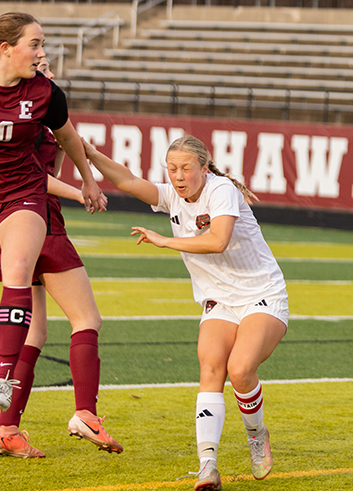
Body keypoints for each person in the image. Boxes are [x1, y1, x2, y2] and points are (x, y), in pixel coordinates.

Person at [83, 135, 287, 490]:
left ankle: (257, 434)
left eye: (186, 168)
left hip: (261, 293)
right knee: (210, 369)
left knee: (240, 370)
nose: (178, 176)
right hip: (218, 300)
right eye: (172, 169)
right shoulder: (172, 196)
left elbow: (218, 240)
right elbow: (127, 180)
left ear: (204, 168)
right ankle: (208, 466)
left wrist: (165, 241)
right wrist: (87, 152)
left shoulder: (221, 190)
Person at [0, 53, 118, 458]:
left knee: (34, 332)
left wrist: (83, 173)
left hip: (27, 220)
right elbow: (37, 179)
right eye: (42, 64)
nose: (47, 71)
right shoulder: (29, 117)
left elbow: (53, 165)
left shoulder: (44, 114)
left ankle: (7, 428)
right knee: (86, 318)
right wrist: (84, 190)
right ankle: (85, 412)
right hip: (39, 221)